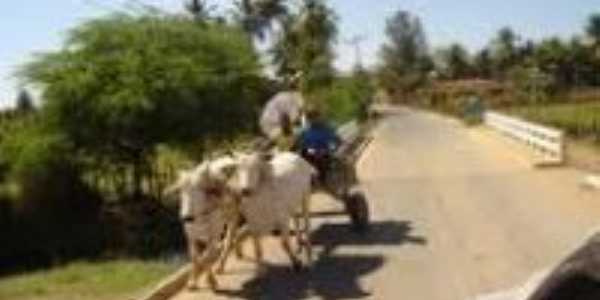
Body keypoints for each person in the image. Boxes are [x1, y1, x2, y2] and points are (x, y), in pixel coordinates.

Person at [296, 109, 341, 182]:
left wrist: (331, 148)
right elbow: (303, 148)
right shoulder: (305, 133)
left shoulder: (326, 128)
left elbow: (337, 140)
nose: (314, 120)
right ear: (309, 120)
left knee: (326, 160)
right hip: (311, 154)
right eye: (311, 118)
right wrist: (313, 151)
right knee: (306, 153)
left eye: (315, 117)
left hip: (325, 153)